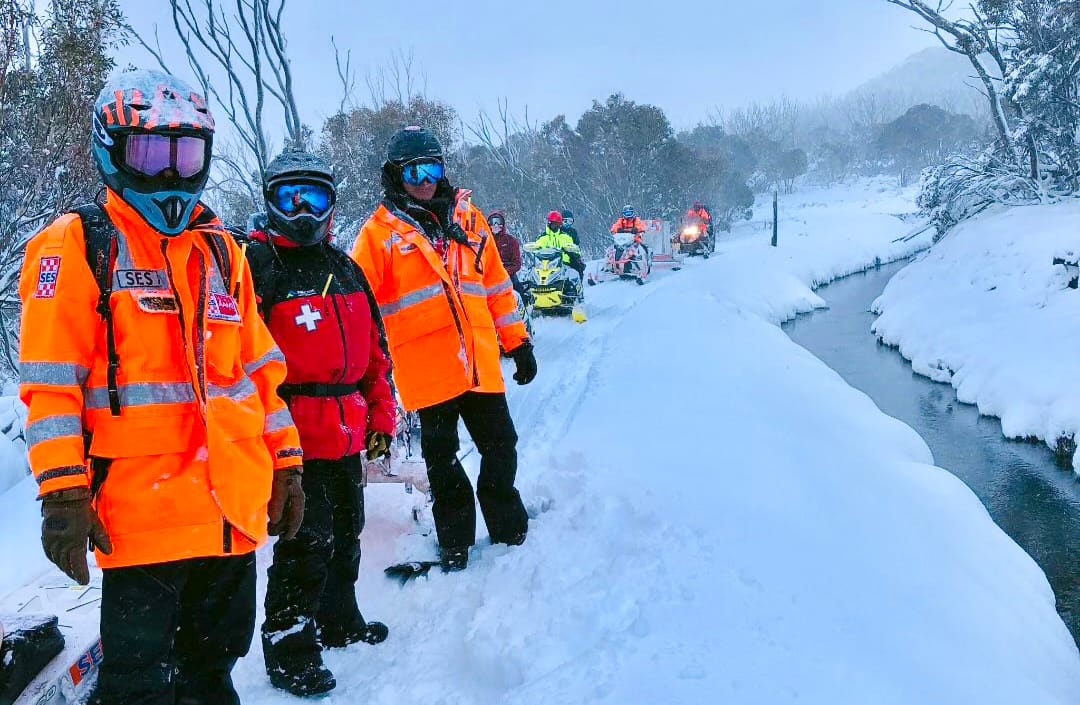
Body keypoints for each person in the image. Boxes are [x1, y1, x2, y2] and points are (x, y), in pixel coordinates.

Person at [19, 69, 304, 705]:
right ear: (112, 151)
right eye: (152, 154)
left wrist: (287, 463)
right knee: (140, 686)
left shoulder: (223, 252)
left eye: (187, 154)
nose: (172, 175)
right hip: (139, 522)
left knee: (214, 673)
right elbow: (50, 384)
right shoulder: (78, 245)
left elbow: (259, 374)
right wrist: (62, 493)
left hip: (229, 512)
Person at [242, 150, 394, 697]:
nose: (303, 210)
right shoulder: (257, 268)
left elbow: (375, 350)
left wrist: (381, 412)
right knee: (304, 543)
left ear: (332, 204)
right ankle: (289, 647)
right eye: (290, 198)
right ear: (271, 202)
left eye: (315, 197)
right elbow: (242, 362)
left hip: (348, 425)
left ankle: (338, 618)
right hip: (294, 434)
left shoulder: (345, 266)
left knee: (346, 530)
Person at [350, 126, 534, 572]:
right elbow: (360, 309)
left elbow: (495, 287)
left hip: (479, 366)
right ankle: (455, 543)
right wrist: (358, 374)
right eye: (414, 171)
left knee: (501, 447)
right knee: (443, 462)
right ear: (395, 175)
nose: (425, 179)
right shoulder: (378, 236)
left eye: (432, 167)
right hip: (426, 373)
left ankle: (510, 529)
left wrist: (518, 342)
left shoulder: (469, 220)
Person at [534, 211, 586, 284]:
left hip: (564, 263)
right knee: (532, 274)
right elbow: (536, 249)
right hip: (546, 265)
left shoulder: (566, 236)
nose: (556, 226)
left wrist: (576, 256)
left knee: (576, 271)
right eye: (554, 224)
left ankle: (576, 288)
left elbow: (575, 247)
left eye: (558, 224)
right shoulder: (542, 238)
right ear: (549, 223)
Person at [489, 209, 524, 295]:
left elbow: (516, 263)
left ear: (503, 224)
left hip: (508, 274)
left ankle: (522, 305)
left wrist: (505, 272)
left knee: (518, 289)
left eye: (498, 221)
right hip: (489, 274)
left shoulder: (511, 241)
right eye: (493, 222)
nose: (496, 225)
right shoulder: (485, 241)